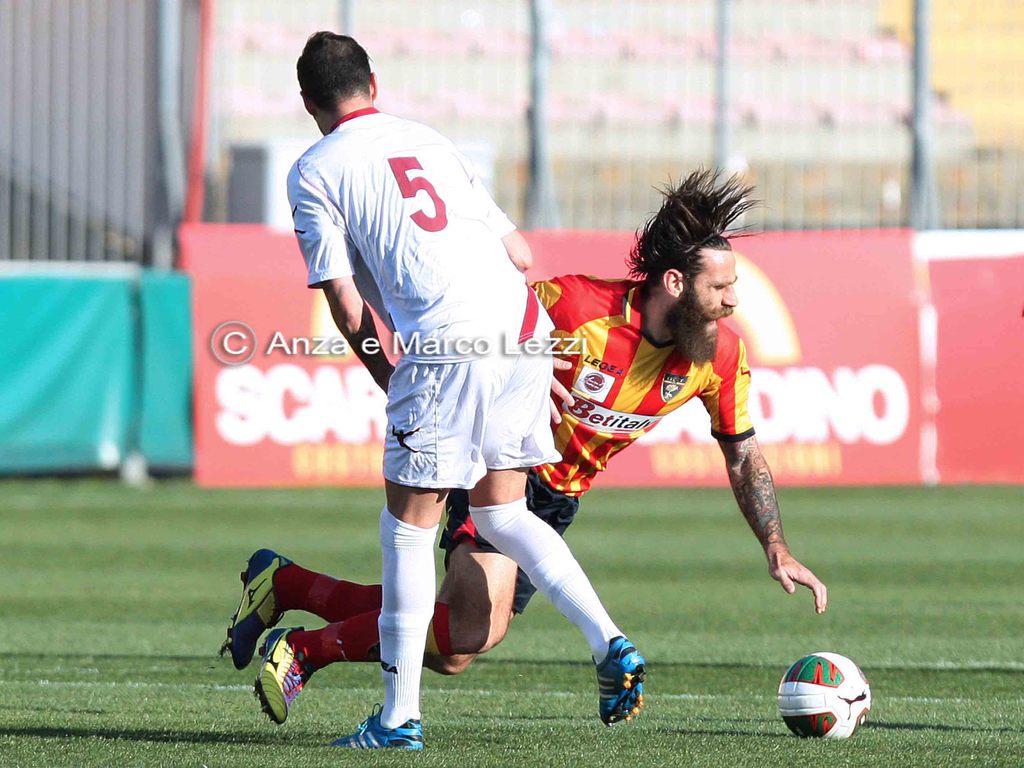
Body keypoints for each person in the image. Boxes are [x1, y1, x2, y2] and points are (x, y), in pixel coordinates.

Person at [222, 168, 828, 718]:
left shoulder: (719, 356)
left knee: (456, 645)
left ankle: (286, 585)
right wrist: (525, 365)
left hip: (560, 497)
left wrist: (775, 546)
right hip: (503, 464)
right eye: (720, 287)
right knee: (470, 628)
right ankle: (305, 651)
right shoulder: (577, 307)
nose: (732, 300)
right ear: (675, 282)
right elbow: (489, 325)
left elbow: (742, 454)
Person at [220, 32, 645, 750]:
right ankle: (609, 642)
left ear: (308, 103)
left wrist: (390, 378)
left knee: (410, 531)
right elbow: (519, 253)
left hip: (448, 344)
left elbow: (346, 304)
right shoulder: (429, 140)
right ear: (374, 84)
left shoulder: (314, 169)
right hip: (525, 330)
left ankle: (397, 718)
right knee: (503, 512)